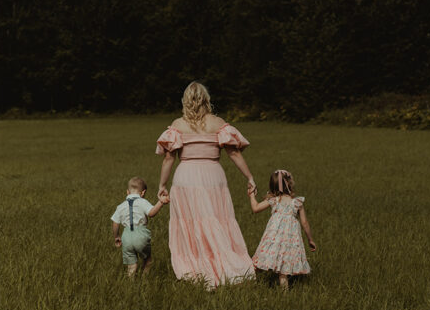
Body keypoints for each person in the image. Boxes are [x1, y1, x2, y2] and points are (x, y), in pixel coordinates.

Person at [156, 81, 256, 288]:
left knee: (192, 221)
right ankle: (223, 264)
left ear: (185, 100)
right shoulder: (218, 123)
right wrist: (249, 177)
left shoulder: (178, 125)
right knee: (217, 219)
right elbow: (234, 153)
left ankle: (196, 264)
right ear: (206, 99)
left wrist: (162, 185)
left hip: (186, 177)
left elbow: (168, 159)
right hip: (213, 177)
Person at [249, 168, 316, 288]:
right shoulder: (297, 203)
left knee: (262, 259)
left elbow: (255, 208)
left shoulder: (274, 200)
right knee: (283, 270)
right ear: (290, 184)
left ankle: (249, 280)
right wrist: (310, 239)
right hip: (289, 240)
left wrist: (251, 196)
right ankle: (284, 294)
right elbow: (305, 223)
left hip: (273, 238)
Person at [111, 176, 168, 278]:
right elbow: (151, 213)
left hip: (126, 236)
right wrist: (161, 202)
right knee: (148, 260)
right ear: (143, 193)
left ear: (127, 192)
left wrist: (116, 237)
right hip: (140, 235)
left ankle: (130, 284)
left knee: (131, 265)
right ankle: (144, 280)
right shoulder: (142, 202)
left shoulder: (120, 206)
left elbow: (115, 223)